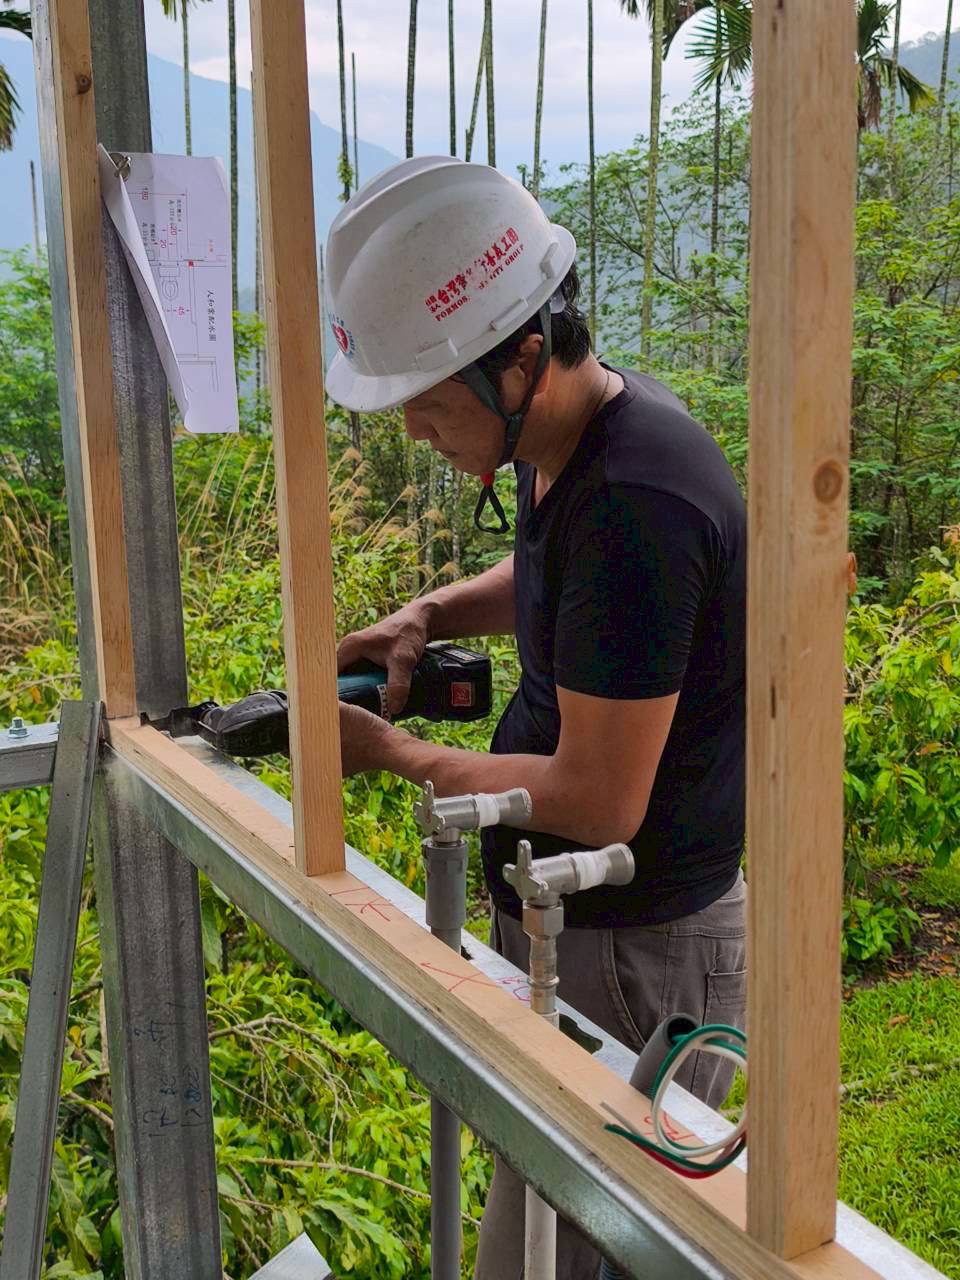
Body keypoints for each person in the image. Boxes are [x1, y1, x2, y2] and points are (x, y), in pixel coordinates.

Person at [325, 156, 747, 1280]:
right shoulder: (574, 440)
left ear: (519, 359)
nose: (417, 430)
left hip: (639, 952)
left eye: (427, 402)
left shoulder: (639, 503)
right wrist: (426, 610)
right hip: (580, 928)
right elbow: (549, 576)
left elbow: (600, 801)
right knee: (533, 1245)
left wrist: (390, 752)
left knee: (596, 1254)